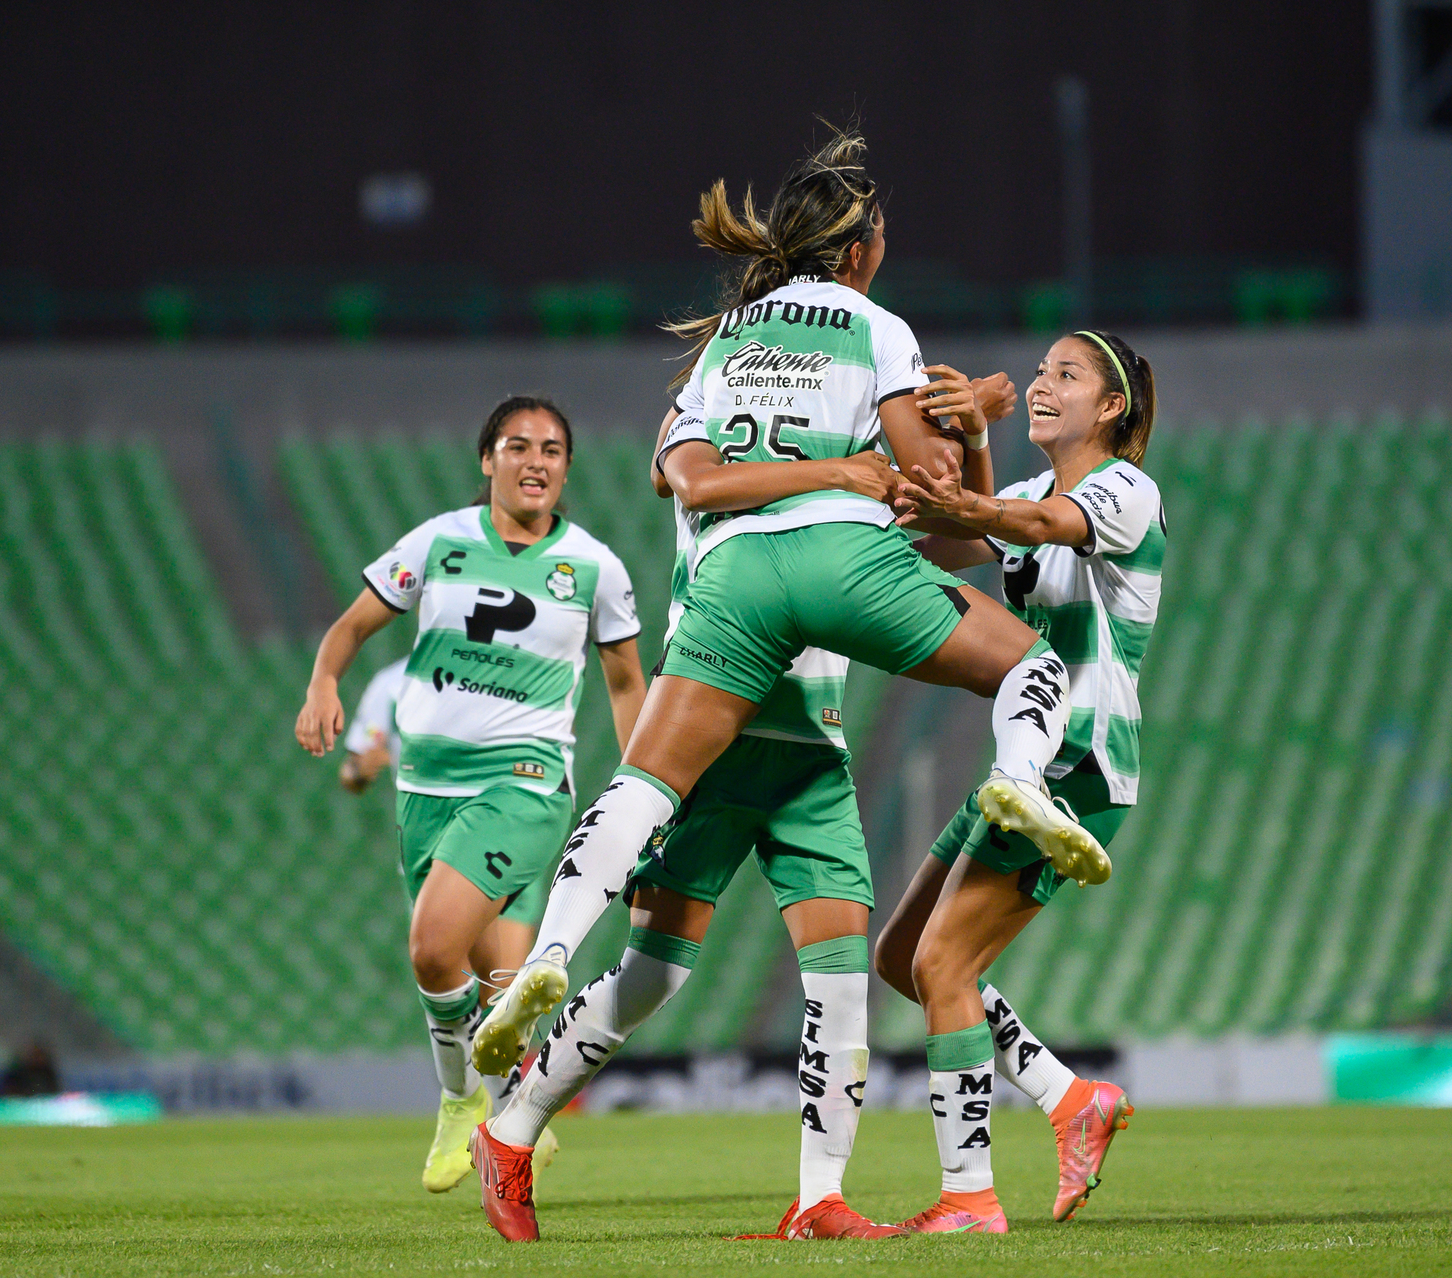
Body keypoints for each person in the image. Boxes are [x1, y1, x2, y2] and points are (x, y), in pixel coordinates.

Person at [469, 128, 1101, 1239]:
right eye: (881, 233)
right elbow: (928, 512)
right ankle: (514, 1122)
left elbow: (716, 480)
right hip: (753, 686)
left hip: (786, 708)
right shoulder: (864, 339)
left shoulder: (724, 356)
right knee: (682, 972)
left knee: (807, 967)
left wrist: (923, 452)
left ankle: (814, 1200)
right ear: (856, 252)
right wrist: (943, 445)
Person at [477, 380, 1013, 1243]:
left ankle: (819, 1199)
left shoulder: (851, 469)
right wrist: (854, 465)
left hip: (810, 748)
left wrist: (967, 438)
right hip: (711, 738)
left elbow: (967, 541)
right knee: (654, 975)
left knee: (840, 980)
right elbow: (679, 474)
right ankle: (510, 1130)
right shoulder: (722, 447)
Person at [295, 394, 646, 1196]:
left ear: (566, 470)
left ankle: (458, 1103)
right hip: (424, 790)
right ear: (488, 460)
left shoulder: (594, 567)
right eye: (518, 446)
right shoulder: (438, 542)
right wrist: (322, 683)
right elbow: (350, 627)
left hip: (525, 783)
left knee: (430, 948)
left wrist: (644, 791)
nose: (535, 461)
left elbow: (628, 684)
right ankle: (514, 1124)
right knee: (493, 992)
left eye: (551, 449)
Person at [873, 329, 1162, 1232]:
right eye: (1039, 371)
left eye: (1065, 375)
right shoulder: (1031, 490)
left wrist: (966, 496)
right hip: (1023, 767)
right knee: (901, 958)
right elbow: (952, 540)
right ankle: (1072, 1099)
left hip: (1080, 765)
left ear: (1109, 408)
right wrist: (944, 459)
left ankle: (969, 1196)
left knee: (942, 964)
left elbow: (1034, 527)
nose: (1042, 384)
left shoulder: (1125, 489)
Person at [340, 656, 553, 1050]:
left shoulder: (505, 667)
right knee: (456, 986)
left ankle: (507, 1078)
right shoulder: (392, 684)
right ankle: (473, 1077)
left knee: (500, 994)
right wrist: (359, 770)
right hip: (432, 849)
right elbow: (352, 768)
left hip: (505, 834)